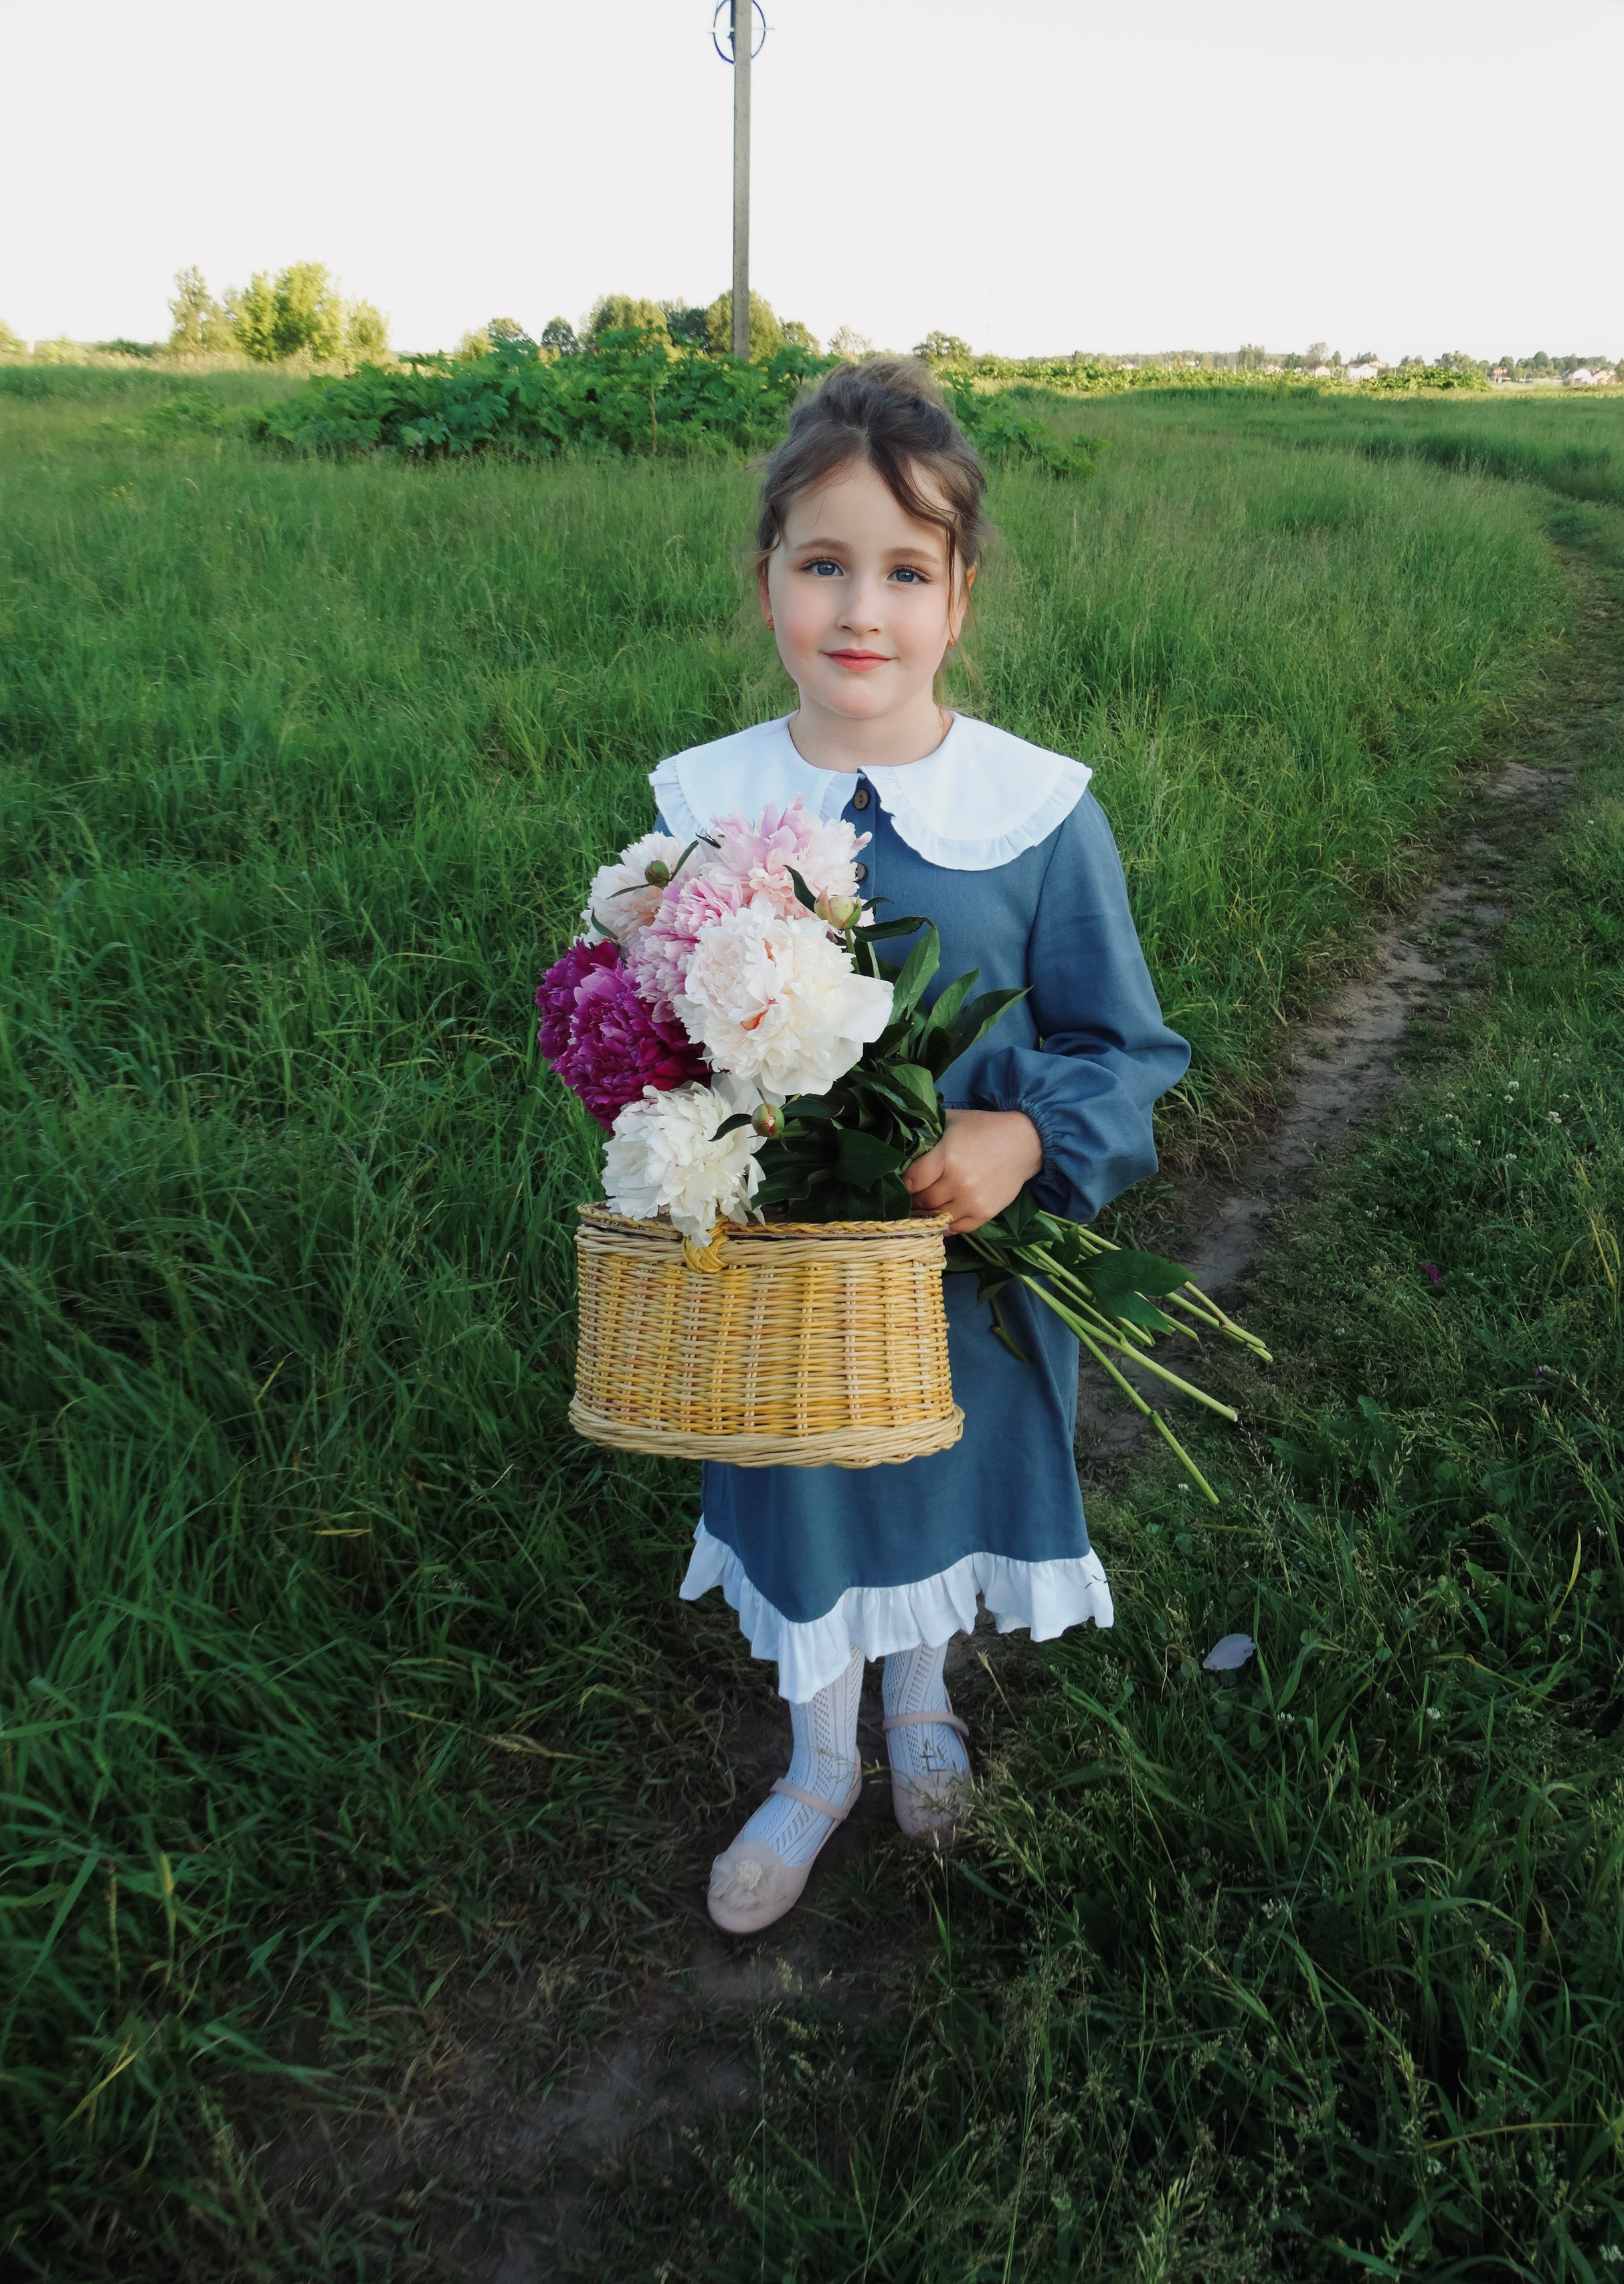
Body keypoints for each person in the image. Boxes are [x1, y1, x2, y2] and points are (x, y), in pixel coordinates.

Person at [647, 357, 1191, 1935]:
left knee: (930, 1468)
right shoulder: (707, 800)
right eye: (821, 564)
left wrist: (1023, 1135)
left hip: (966, 1260)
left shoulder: (1031, 810)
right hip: (781, 1272)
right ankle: (818, 1758)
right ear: (766, 586)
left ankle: (920, 1706)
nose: (858, 609)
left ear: (959, 596)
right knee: (808, 1480)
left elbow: (1122, 1042)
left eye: (902, 569)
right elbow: (657, 1023)